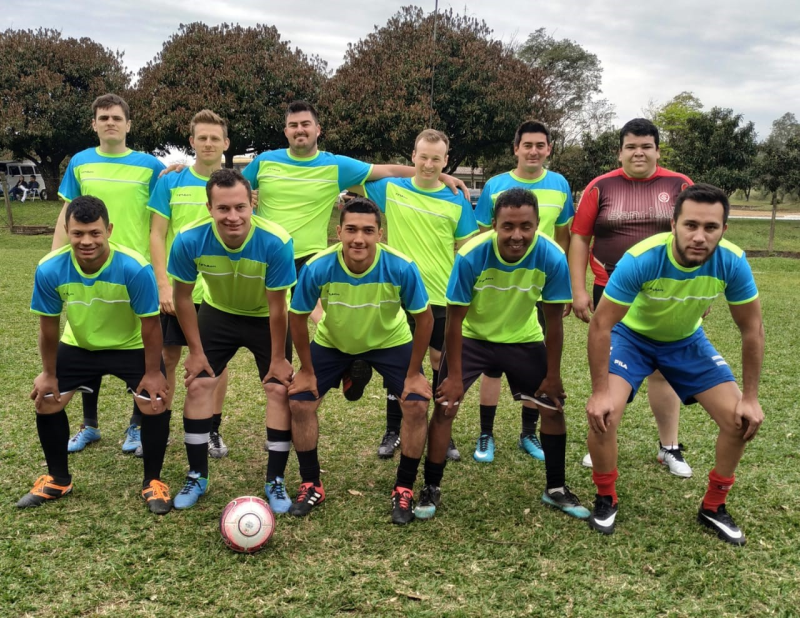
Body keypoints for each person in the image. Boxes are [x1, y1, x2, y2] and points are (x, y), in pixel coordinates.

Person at [242, 101, 467, 406]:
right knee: (280, 319)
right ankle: (333, 368)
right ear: (285, 131)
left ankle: (348, 360)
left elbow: (386, 169)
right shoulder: (265, 161)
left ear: (318, 129)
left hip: (310, 256)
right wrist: (184, 171)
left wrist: (439, 176)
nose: (299, 130)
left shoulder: (335, 165)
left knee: (322, 312)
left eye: (305, 124)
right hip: (269, 255)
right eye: (293, 125)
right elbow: (229, 186)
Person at [585, 184, 764, 545]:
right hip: (632, 339)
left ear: (724, 230)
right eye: (690, 225)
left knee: (739, 421)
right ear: (674, 224)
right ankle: (606, 497)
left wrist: (750, 397)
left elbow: (752, 329)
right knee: (606, 415)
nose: (699, 236)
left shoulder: (731, 261)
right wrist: (600, 392)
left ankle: (713, 506)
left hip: (686, 342)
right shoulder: (642, 258)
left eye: (710, 227)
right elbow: (601, 325)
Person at [417, 188, 589, 521]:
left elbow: (554, 323)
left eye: (526, 226)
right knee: (445, 406)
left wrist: (553, 376)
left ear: (537, 224)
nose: (517, 235)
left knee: (552, 408)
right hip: (472, 338)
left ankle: (556, 488)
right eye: (508, 226)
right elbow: (454, 320)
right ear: (495, 224)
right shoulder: (472, 255)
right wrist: (454, 377)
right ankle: (431, 487)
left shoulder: (552, 256)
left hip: (523, 339)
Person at [19, 196, 172, 514]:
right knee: (46, 400)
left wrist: (153, 372)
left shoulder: (134, 267)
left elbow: (150, 325)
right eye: (78, 233)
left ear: (109, 230)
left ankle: (153, 482)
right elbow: (48, 327)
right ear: (67, 231)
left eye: (94, 233)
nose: (86, 241)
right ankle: (58, 480)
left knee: (155, 401)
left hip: (129, 345)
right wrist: (48, 373)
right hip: (80, 344)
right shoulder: (50, 268)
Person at [287, 198, 433, 525]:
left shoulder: (401, 266)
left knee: (416, 404)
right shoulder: (318, 266)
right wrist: (306, 371)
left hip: (389, 341)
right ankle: (311, 483)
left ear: (380, 234)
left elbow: (424, 319)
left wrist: (413, 373)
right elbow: (296, 317)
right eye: (351, 229)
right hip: (334, 341)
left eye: (368, 231)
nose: (359, 239)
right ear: (338, 232)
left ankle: (404, 487)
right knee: (299, 402)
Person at [569, 118, 694, 475]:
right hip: (611, 289)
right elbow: (580, 238)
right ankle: (602, 440)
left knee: (663, 370)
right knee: (611, 368)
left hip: (668, 292)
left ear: (657, 150)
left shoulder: (680, 185)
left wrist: (699, 294)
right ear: (620, 152)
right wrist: (578, 289)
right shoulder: (600, 186)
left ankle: (669, 447)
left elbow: (697, 237)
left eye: (646, 146)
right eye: (631, 147)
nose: (639, 153)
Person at [167, 168, 295, 511]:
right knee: (198, 384)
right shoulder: (188, 239)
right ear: (209, 207)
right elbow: (183, 298)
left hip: (265, 317)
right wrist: (195, 351)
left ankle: (276, 480)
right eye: (223, 208)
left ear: (252, 204)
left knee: (278, 389)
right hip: (218, 312)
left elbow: (278, 306)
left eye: (240, 207)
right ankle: (197, 475)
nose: (233, 216)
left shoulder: (276, 241)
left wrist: (279, 359)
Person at [54, 94, 165, 457]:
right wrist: (54, 258)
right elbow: (67, 214)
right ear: (94, 124)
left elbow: (163, 213)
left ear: (128, 124)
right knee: (88, 338)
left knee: (141, 345)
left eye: (117, 117)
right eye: (103, 118)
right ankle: (90, 425)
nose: (110, 123)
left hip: (135, 270)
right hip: (88, 265)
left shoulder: (150, 166)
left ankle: (136, 425)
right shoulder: (80, 162)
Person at [361, 128, 478, 461]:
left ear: (446, 160)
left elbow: (468, 250)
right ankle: (393, 429)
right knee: (398, 363)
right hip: (397, 294)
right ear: (413, 156)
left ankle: (443, 431)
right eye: (423, 157)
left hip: (440, 295)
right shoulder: (390, 189)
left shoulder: (457, 199)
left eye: (436, 159)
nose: (428, 164)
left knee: (441, 363)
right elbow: (357, 173)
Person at [471, 120, 574, 464]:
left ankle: (528, 433)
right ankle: (486, 433)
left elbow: (563, 237)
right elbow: (484, 236)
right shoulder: (495, 185)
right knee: (492, 365)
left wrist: (564, 283)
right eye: (527, 145)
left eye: (540, 145)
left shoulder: (560, 185)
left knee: (537, 364)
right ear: (515, 149)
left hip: (540, 287)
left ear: (549, 149)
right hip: (499, 288)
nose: (533, 151)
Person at [148, 110, 231, 459]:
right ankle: (159, 426)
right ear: (192, 141)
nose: (208, 143)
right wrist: (162, 285)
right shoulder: (171, 181)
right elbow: (156, 234)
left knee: (215, 363)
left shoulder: (234, 184)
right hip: (178, 288)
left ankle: (212, 429)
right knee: (167, 356)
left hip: (217, 293)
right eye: (202, 137)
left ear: (226, 143)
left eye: (215, 138)